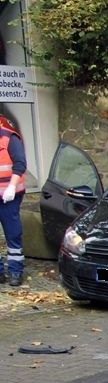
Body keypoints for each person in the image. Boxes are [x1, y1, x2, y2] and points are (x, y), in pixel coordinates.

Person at [0, 113, 28, 286]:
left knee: (13, 234)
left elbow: (20, 163)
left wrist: (12, 186)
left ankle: (15, 271)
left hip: (9, 197)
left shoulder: (9, 137)